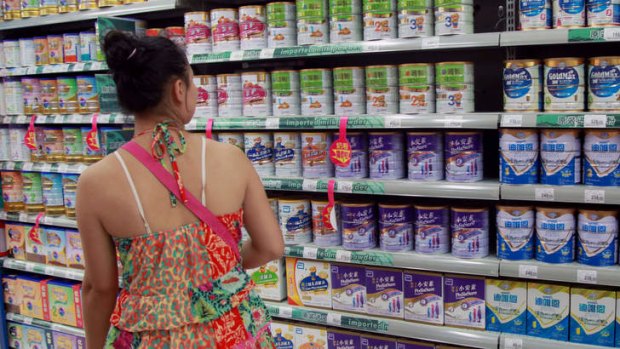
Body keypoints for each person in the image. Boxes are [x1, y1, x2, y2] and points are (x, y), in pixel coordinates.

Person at [76, 31, 283, 348]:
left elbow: (99, 287)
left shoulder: (95, 182)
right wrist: (219, 269)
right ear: (178, 89)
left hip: (150, 336)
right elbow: (270, 246)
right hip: (233, 330)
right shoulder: (230, 159)